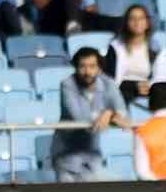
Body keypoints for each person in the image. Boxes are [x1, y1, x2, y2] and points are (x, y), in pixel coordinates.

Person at [50, 46, 129, 181]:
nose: (87, 72)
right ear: (75, 67)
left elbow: (121, 110)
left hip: (92, 157)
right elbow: (80, 118)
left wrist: (110, 113)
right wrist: (108, 113)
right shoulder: (67, 84)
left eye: (92, 66)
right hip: (67, 159)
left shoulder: (108, 83)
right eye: (82, 66)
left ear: (99, 68)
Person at [103, 3, 166, 107]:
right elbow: (111, 80)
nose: (137, 22)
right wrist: (134, 86)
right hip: (122, 91)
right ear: (126, 23)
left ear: (147, 23)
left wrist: (149, 86)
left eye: (141, 18)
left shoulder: (156, 48)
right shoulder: (115, 47)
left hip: (148, 90)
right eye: (132, 19)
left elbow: (162, 76)